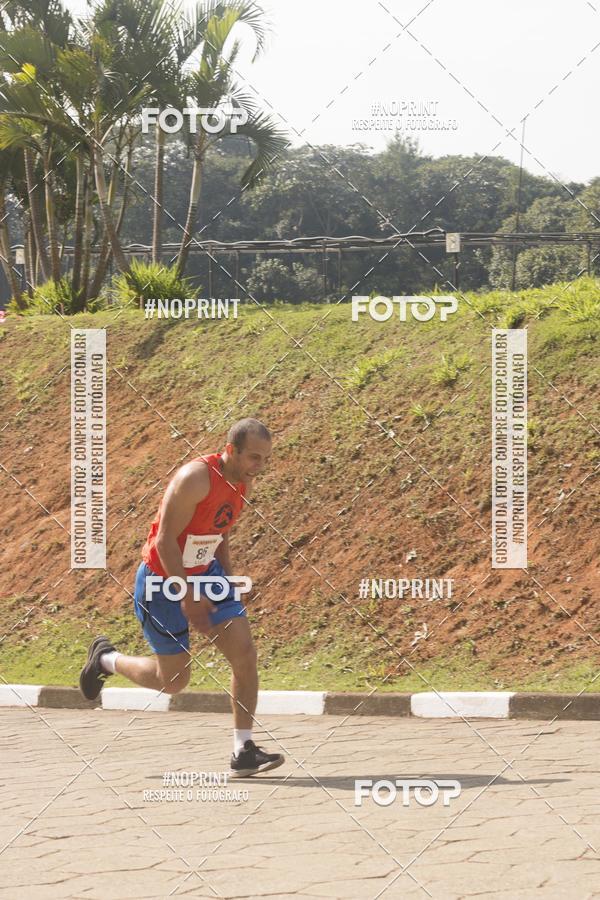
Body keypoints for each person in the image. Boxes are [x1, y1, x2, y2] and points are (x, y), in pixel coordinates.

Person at [79, 417, 284, 777]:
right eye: (254, 457)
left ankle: (243, 750)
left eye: (264, 459)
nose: (259, 467)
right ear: (231, 450)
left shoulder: (239, 483)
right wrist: (187, 595)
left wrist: (229, 579)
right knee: (173, 682)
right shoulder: (195, 478)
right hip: (161, 581)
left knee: (245, 654)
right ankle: (107, 659)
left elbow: (218, 532)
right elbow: (164, 542)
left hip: (205, 574)